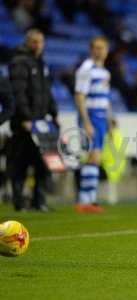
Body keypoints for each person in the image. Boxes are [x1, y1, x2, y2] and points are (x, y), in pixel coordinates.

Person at [8, 29, 58, 212]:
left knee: (42, 164)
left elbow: (47, 92)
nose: (37, 45)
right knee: (20, 164)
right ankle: (19, 203)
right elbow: (17, 92)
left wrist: (55, 112)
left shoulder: (41, 63)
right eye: (34, 42)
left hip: (41, 124)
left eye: (40, 41)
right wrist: (25, 118)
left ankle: (39, 202)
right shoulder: (19, 62)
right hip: (24, 124)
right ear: (27, 42)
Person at [74, 36, 112, 213]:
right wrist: (86, 122)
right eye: (96, 48)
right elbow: (79, 95)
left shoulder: (104, 72)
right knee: (92, 156)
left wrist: (109, 119)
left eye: (102, 48)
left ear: (107, 50)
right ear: (91, 49)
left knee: (96, 157)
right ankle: (84, 200)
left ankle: (90, 199)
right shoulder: (86, 69)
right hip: (90, 116)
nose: (99, 51)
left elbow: (105, 98)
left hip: (101, 117)